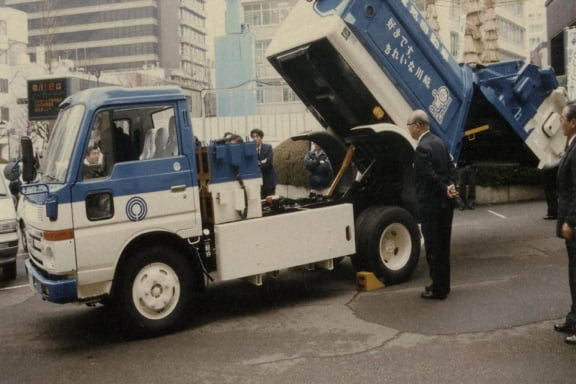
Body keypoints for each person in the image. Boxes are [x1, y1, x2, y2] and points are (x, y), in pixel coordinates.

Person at [407, 109, 459, 300]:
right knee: (443, 248)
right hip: (446, 206)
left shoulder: (422, 149)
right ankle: (443, 285)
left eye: (409, 126)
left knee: (433, 248)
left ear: (418, 125)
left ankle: (437, 288)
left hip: (431, 207)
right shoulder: (440, 143)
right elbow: (452, 168)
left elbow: (429, 177)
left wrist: (445, 186)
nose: (409, 130)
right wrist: (453, 186)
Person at [554, 100, 576, 345]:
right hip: (570, 221)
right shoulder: (571, 144)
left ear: (573, 122)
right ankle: (573, 318)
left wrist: (571, 221)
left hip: (574, 223)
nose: (559, 122)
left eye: (563, 118)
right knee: (573, 272)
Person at [250, 128, 277, 198]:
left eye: (257, 136)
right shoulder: (250, 150)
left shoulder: (268, 147)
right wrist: (262, 162)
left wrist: (258, 164)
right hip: (257, 183)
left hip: (269, 181)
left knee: (271, 202)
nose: (255, 139)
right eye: (253, 137)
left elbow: (269, 163)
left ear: (261, 137)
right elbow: (251, 165)